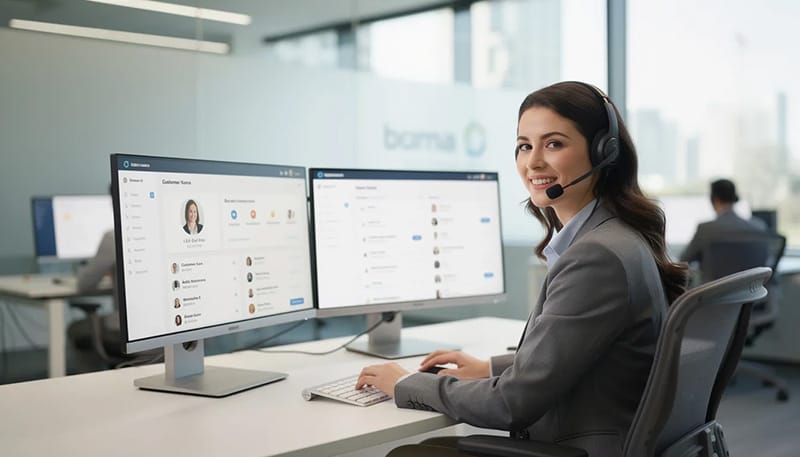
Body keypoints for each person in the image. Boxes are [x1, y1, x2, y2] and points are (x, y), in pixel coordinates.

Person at [355, 81, 688, 457]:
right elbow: (577, 354)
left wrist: (405, 384)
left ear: (603, 153)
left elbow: (511, 404)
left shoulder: (597, 256)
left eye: (554, 144)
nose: (533, 163)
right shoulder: (616, 236)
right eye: (524, 146)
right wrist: (489, 368)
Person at [680, 178, 767, 281]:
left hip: (715, 290)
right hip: (751, 290)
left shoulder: (706, 229)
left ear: (714, 200)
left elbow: (684, 261)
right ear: (734, 198)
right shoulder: (759, 227)